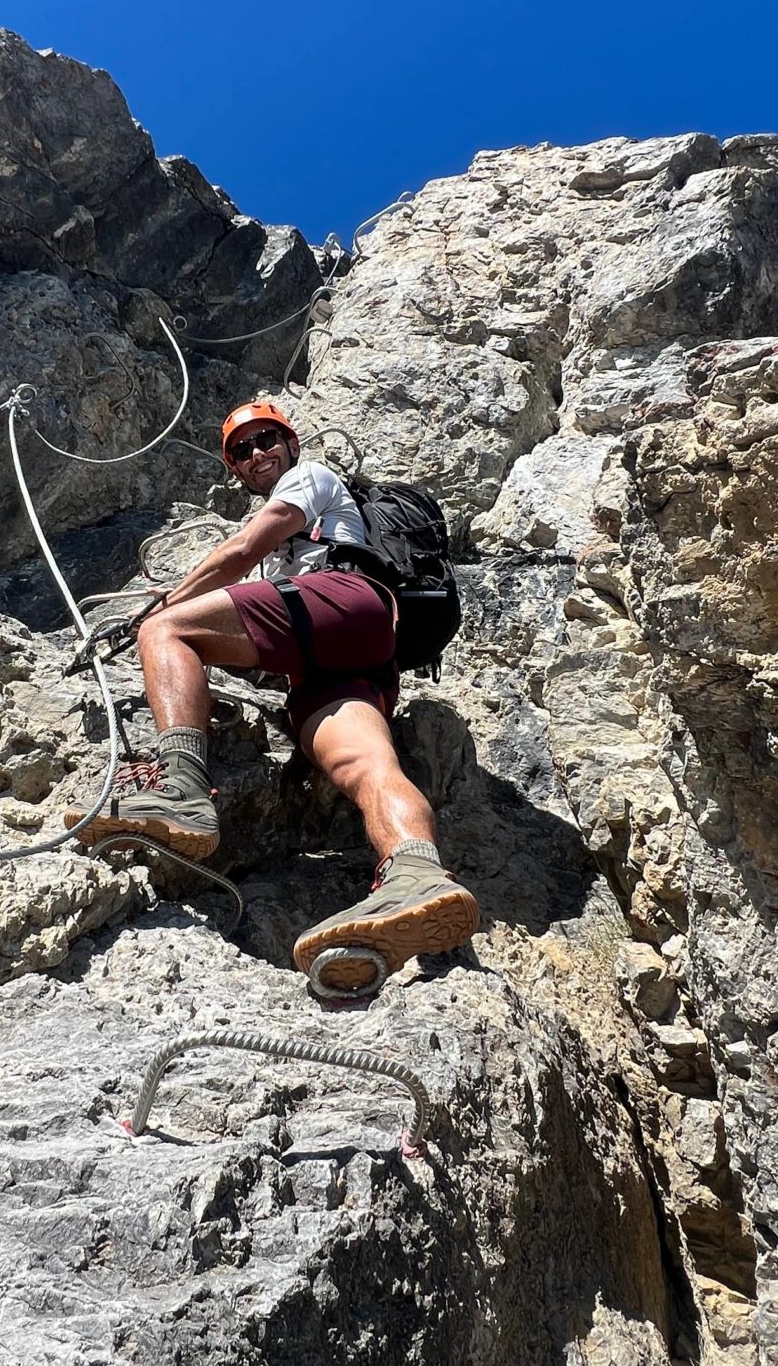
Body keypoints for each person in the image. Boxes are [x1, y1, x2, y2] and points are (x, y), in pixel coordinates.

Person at [81, 397, 479, 984]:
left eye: (268, 439)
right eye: (242, 450)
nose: (257, 452)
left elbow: (243, 551)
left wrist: (164, 604)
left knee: (164, 631)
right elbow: (259, 626)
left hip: (342, 600)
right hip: (346, 654)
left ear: (291, 445)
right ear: (234, 469)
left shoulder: (311, 478)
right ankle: (415, 874)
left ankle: (182, 790)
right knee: (365, 765)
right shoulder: (289, 556)